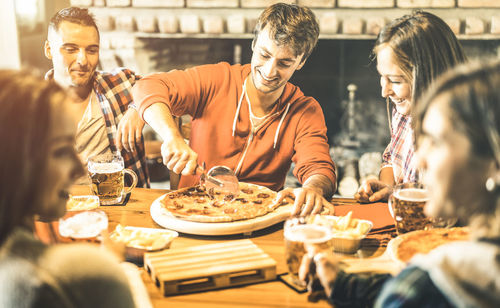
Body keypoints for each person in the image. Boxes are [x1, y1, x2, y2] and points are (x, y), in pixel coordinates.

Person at [299, 60, 500, 307]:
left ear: (494, 163)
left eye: (436, 142)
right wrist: (349, 286)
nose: (421, 159)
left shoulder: (422, 285)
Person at [132, 3, 336, 215]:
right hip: (193, 211)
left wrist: (313, 188)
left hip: (258, 216)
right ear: (254, 43)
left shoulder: (305, 110)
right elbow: (147, 85)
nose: (269, 71)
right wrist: (172, 136)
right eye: (264, 55)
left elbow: (319, 169)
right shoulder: (218, 79)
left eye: (284, 63)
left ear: (301, 61)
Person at [0, 70, 151, 307]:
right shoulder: (73, 275)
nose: (79, 171)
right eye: (61, 151)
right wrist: (117, 267)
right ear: (12, 159)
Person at [355, 11, 466, 202]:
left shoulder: (463, 127)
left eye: (396, 81)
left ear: (433, 76)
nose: (385, 92)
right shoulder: (405, 112)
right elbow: (392, 158)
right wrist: (389, 188)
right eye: (382, 77)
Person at [44, 7, 149, 187]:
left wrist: (137, 108)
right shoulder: (29, 106)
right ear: (49, 49)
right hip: (58, 210)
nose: (83, 60)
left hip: (120, 207)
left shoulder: (119, 84)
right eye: (70, 49)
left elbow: (163, 84)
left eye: (92, 50)